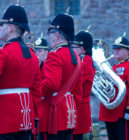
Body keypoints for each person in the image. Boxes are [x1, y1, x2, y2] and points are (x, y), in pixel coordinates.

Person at [0, 3, 41, 140]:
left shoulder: (4, 53)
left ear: (11, 27)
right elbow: (36, 90)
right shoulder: (32, 54)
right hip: (26, 119)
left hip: (4, 119)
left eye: (2, 25)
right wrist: (33, 117)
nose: (0, 28)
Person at [39, 13, 82, 140]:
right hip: (69, 114)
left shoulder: (55, 55)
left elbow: (51, 84)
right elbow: (78, 92)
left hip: (53, 113)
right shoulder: (77, 58)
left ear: (57, 35)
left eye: (50, 33)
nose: (50, 37)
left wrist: (34, 92)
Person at [99, 35, 129, 140]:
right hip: (110, 110)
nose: (115, 51)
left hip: (122, 112)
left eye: (119, 49)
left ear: (127, 51)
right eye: (114, 48)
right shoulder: (113, 67)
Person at [72, 30, 96, 140]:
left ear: (82, 48)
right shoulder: (82, 60)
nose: (71, 49)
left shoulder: (86, 61)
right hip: (76, 105)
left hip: (80, 107)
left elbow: (77, 81)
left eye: (74, 46)